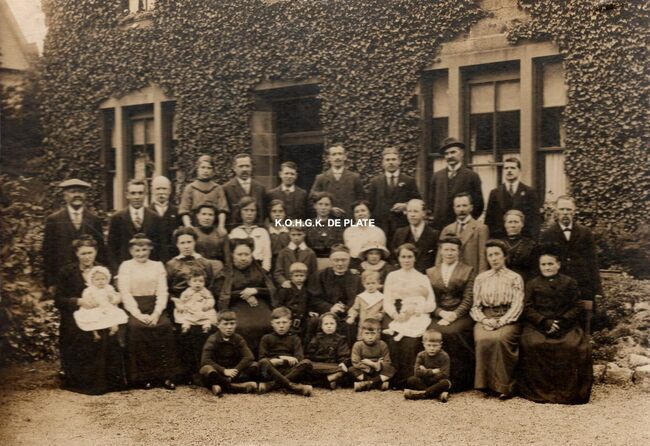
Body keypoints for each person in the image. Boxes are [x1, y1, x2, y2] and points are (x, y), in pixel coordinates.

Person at [517, 248, 593, 404]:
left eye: (550, 264)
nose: (547, 267)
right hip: (538, 324)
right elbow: (527, 307)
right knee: (532, 344)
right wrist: (544, 321)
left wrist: (563, 321)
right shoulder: (532, 283)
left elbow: (577, 306)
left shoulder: (569, 282)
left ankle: (568, 392)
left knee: (573, 346)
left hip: (565, 324)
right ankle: (540, 391)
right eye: (543, 264)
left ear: (558, 264)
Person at [54, 236, 125, 395]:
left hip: (102, 312)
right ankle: (84, 381)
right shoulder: (67, 272)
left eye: (90, 253)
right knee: (79, 333)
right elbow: (58, 300)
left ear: (96, 252)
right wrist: (79, 301)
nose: (87, 257)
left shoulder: (102, 270)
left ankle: (107, 380)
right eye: (83, 253)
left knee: (109, 329)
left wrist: (114, 298)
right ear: (76, 253)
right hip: (76, 314)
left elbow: (112, 292)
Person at [118, 234, 182, 390]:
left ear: (150, 249)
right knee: (137, 328)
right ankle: (144, 377)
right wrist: (138, 314)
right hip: (134, 307)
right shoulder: (126, 266)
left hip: (154, 306)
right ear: (131, 251)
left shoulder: (157, 266)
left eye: (144, 250)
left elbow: (162, 291)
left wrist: (156, 313)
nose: (141, 253)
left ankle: (166, 375)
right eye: (137, 250)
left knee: (164, 326)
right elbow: (125, 293)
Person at [166, 226, 221, 383]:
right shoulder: (171, 264)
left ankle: (203, 370)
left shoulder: (204, 263)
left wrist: (206, 302)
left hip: (202, 303)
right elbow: (167, 289)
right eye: (182, 243)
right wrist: (176, 302)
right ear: (177, 244)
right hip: (181, 304)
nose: (186, 246)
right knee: (185, 331)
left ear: (195, 242)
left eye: (189, 242)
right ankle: (185, 372)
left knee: (204, 329)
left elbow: (210, 286)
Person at [470, 239, 524, 399]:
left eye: (497, 254)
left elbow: (517, 304)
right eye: (490, 255)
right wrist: (484, 320)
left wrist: (501, 322)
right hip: (486, 317)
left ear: (504, 256)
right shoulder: (481, 278)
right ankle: (485, 385)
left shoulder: (515, 278)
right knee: (483, 339)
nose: (494, 258)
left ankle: (504, 386)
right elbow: (475, 306)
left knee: (500, 339)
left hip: (508, 318)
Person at [426, 236, 476, 391]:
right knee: (430, 331)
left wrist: (454, 314)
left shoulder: (468, 270)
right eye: (446, 249)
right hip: (439, 313)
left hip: (461, 314)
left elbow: (468, 298)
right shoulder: (431, 272)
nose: (449, 253)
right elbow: (429, 299)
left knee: (453, 332)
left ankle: (458, 380)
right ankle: (432, 379)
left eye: (453, 250)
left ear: (458, 252)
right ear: (441, 251)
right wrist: (440, 312)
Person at [383, 243, 436, 387]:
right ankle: (392, 379)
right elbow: (387, 301)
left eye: (409, 257)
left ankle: (408, 381)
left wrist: (416, 310)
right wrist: (395, 314)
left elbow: (431, 303)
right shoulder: (392, 276)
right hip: (396, 313)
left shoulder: (422, 277)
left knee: (410, 342)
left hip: (416, 315)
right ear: (398, 258)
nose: (406, 260)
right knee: (393, 340)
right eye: (403, 257)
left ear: (415, 258)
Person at [215, 238, 276, 354]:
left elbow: (271, 290)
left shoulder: (259, 270)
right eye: (239, 254)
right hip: (235, 304)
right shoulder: (225, 272)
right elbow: (219, 292)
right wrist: (244, 294)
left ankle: (264, 356)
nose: (243, 258)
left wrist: (256, 290)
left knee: (269, 323)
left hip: (259, 304)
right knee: (242, 326)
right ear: (233, 255)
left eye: (246, 254)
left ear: (251, 255)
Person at [43, 179, 106, 288]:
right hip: (63, 278)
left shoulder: (94, 220)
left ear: (85, 195)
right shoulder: (54, 219)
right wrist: (50, 282)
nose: (77, 195)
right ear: (65, 196)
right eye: (73, 191)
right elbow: (48, 252)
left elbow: (101, 251)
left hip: (89, 278)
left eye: (80, 192)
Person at [540, 196, 603, 303]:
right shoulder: (547, 234)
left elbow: (592, 261)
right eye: (562, 209)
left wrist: (598, 289)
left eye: (568, 209)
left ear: (574, 211)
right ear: (556, 211)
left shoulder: (585, 232)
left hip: (582, 284)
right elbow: (544, 262)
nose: (565, 213)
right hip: (557, 285)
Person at [107, 179, 163, 274]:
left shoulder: (155, 218)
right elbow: (111, 250)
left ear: (145, 194)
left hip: (149, 271)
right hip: (126, 271)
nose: (137, 197)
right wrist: (116, 273)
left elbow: (161, 248)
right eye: (133, 193)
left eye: (140, 193)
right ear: (127, 195)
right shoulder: (117, 218)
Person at [428, 137, 484, 230]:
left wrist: (467, 224)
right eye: (446, 154)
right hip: (440, 228)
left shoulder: (472, 176)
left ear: (462, 153)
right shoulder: (437, 176)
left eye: (453, 152)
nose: (449, 156)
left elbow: (479, 205)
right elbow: (431, 203)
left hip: (463, 228)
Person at [199, 310, 258, 396]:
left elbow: (249, 357)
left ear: (236, 324)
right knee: (206, 369)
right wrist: (223, 371)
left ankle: (220, 386)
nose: (229, 327)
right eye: (225, 324)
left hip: (234, 372)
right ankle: (236, 387)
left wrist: (235, 370)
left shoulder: (238, 338)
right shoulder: (213, 339)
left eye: (232, 324)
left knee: (254, 365)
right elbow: (205, 360)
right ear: (218, 325)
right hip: (218, 371)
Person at [368, 147, 421, 241]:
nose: (391, 162)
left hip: (402, 226)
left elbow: (418, 202)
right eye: (387, 160)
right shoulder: (375, 182)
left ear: (399, 161)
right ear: (383, 163)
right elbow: (370, 206)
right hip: (381, 226)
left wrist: (406, 206)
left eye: (393, 159)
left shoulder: (409, 181)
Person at [257, 307, 314, 396]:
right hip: (272, 370)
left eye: (284, 322)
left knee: (307, 362)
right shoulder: (266, 338)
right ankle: (292, 387)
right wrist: (280, 358)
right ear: (272, 323)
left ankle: (272, 385)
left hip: (290, 370)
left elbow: (299, 358)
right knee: (263, 362)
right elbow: (262, 358)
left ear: (290, 323)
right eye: (278, 323)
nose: (281, 326)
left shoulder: (294, 338)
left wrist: (283, 360)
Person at [310, 245, 363, 333]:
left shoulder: (356, 278)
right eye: (336, 260)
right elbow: (314, 298)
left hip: (349, 315)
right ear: (330, 260)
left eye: (344, 260)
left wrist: (348, 309)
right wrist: (330, 307)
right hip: (326, 314)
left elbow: (360, 299)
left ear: (349, 260)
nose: (340, 264)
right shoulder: (320, 276)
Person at [485, 158, 540, 239]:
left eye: (512, 168)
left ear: (519, 171)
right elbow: (489, 220)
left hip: (523, 239)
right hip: (500, 238)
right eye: (506, 168)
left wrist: (532, 240)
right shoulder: (495, 193)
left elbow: (535, 220)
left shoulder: (529, 192)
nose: (509, 171)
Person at [310, 143, 365, 218]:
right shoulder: (321, 178)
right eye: (334, 154)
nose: (337, 157)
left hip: (349, 219)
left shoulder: (354, 178)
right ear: (329, 158)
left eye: (340, 154)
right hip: (329, 220)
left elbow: (361, 200)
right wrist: (329, 209)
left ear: (345, 156)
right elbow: (312, 199)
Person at [438, 192, 489, 274]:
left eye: (464, 205)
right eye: (458, 206)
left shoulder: (481, 228)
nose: (461, 209)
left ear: (471, 207)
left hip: (471, 275)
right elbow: (440, 258)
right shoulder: (447, 229)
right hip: (451, 276)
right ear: (454, 208)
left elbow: (483, 258)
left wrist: (481, 278)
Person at [73, 266, 128, 341]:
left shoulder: (109, 288)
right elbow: (85, 298)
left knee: (112, 315)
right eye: (97, 279)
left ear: (107, 279)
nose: (100, 281)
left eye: (103, 279)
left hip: (107, 306)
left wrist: (112, 298)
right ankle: (95, 333)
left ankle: (113, 328)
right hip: (95, 307)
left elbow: (115, 297)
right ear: (92, 280)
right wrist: (91, 302)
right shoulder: (89, 290)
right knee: (92, 317)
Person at [178, 155, 228, 234]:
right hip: (195, 227)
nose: (206, 171)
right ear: (197, 169)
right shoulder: (190, 188)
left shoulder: (217, 188)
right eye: (203, 167)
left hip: (213, 228)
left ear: (213, 171)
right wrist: (188, 226)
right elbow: (184, 211)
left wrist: (221, 226)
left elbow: (222, 210)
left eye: (209, 168)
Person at [391, 199, 440, 273]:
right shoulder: (399, 233)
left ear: (423, 213)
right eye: (409, 211)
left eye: (415, 211)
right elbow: (393, 257)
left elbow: (437, 259)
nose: (412, 215)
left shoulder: (434, 234)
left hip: (426, 276)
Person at [304, 313, 351, 389]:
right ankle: (327, 382)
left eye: (332, 323)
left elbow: (344, 354)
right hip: (318, 365)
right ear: (321, 326)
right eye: (326, 324)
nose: (329, 326)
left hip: (332, 365)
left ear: (336, 325)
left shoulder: (340, 339)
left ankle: (322, 382)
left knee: (343, 371)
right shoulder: (317, 338)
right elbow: (309, 354)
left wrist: (343, 362)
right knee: (307, 369)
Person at [403, 329, 452, 401]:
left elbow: (444, 374)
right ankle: (436, 394)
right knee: (411, 380)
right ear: (423, 344)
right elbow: (417, 372)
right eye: (428, 345)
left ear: (440, 345)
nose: (432, 348)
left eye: (435, 345)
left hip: (437, 382)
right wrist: (432, 371)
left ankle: (420, 394)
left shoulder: (444, 356)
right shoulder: (421, 355)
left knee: (445, 383)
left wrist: (425, 371)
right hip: (425, 382)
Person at [350, 318, 395, 392]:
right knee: (352, 369)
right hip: (365, 371)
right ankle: (377, 383)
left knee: (391, 369)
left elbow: (387, 362)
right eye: (367, 333)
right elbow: (356, 362)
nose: (370, 337)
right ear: (361, 334)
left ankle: (368, 384)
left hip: (378, 371)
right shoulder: (358, 345)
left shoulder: (382, 344)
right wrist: (370, 368)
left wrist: (372, 364)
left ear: (378, 333)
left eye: (373, 333)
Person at [222, 153, 267, 228]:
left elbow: (264, 213)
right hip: (234, 231)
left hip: (257, 231)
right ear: (234, 168)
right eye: (241, 166)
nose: (244, 169)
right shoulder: (226, 188)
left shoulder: (260, 188)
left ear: (251, 167)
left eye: (247, 166)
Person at [229, 196, 272, 272]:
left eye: (252, 210)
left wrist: (264, 271)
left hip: (259, 269)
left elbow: (267, 256)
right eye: (246, 210)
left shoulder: (262, 232)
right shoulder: (235, 232)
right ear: (240, 212)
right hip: (240, 270)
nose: (249, 213)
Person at [276, 262, 317, 339]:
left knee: (307, 330)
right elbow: (280, 304)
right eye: (296, 276)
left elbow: (309, 303)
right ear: (291, 277)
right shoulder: (285, 289)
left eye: (302, 276)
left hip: (303, 317)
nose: (299, 278)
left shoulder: (307, 289)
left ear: (306, 277)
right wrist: (284, 315)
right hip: (290, 317)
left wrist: (310, 311)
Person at [172, 268, 218, 333]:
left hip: (202, 309)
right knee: (186, 317)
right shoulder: (187, 291)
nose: (198, 283)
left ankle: (206, 327)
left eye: (201, 281)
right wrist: (181, 306)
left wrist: (208, 305)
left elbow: (210, 299)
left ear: (204, 282)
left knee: (208, 317)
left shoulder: (205, 291)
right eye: (195, 281)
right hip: (190, 309)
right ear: (189, 283)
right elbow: (182, 301)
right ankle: (185, 327)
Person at [273, 225, 318, 292]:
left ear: (304, 234)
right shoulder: (283, 253)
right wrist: (284, 282)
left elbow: (313, 274)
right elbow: (278, 273)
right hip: (287, 288)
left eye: (299, 234)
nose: (296, 237)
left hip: (304, 288)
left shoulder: (310, 253)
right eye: (293, 235)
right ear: (289, 235)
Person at [342, 200, 387, 266]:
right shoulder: (348, 231)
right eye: (356, 212)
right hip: (353, 265)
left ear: (369, 213)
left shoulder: (378, 232)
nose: (360, 214)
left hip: (373, 265)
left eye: (363, 211)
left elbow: (382, 253)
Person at [305, 192, 344, 269]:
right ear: (315, 206)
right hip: (312, 263)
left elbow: (339, 247)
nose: (323, 208)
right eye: (320, 204)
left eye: (327, 205)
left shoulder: (337, 226)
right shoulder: (308, 225)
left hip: (332, 263)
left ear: (331, 207)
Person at [500, 210, 539, 283]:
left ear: (522, 224)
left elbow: (534, 269)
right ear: (505, 224)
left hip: (524, 282)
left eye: (516, 222)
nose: (513, 225)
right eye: (510, 222)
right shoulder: (498, 243)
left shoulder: (530, 244)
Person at [149, 175, 181, 262]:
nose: (161, 192)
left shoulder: (177, 212)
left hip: (172, 257)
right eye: (158, 189)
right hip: (152, 258)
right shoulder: (147, 212)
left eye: (164, 189)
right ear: (152, 190)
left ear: (170, 190)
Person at [346, 270, 384, 340]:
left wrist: (381, 314)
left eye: (373, 283)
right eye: (368, 283)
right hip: (363, 324)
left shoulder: (381, 298)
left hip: (375, 324)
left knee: (374, 340)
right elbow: (355, 309)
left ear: (378, 283)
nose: (370, 285)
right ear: (363, 284)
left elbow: (384, 309)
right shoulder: (360, 297)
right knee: (362, 340)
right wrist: (352, 316)